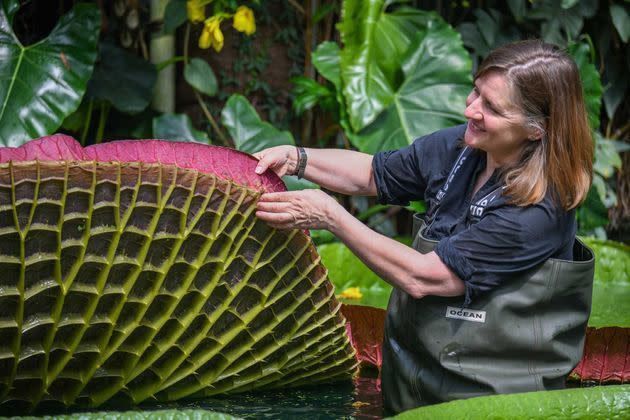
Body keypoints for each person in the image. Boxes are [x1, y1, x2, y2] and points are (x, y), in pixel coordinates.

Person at [252, 39, 595, 413]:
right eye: (476, 92)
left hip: (491, 404)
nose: (471, 109)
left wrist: (331, 217)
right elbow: (373, 174)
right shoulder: (464, 147)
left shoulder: (540, 209)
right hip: (412, 387)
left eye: (492, 107)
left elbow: (424, 277)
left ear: (536, 129)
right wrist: (297, 158)